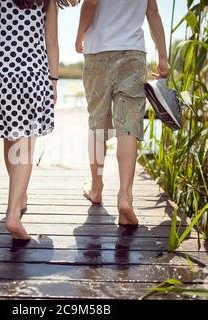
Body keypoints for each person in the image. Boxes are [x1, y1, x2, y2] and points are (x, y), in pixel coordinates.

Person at [0, 0, 72, 240]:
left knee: (11, 136)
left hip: (0, 71)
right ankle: (13, 214)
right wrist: (54, 80)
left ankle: (19, 196)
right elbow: (52, 42)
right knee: (25, 141)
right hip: (33, 73)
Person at [76, 0, 169, 225]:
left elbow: (91, 2)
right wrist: (163, 57)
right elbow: (153, 13)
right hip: (133, 53)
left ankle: (96, 188)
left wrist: (80, 33)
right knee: (128, 126)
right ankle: (125, 196)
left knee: (97, 124)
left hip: (99, 50)